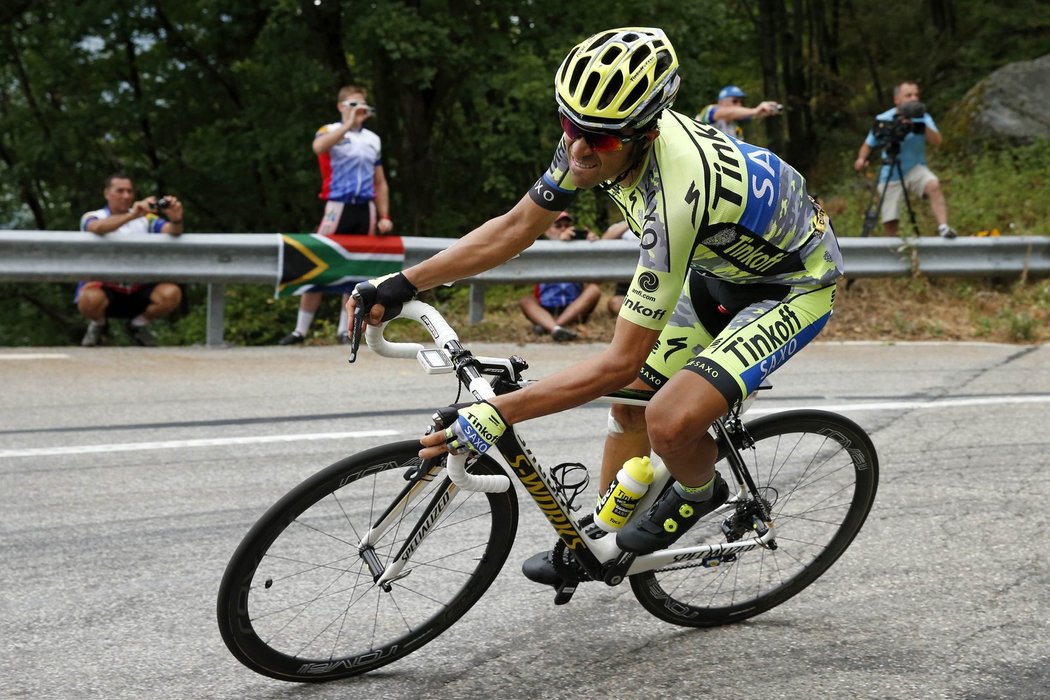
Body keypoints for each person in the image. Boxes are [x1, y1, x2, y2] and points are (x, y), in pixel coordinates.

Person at [350, 27, 842, 588]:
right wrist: (402, 283)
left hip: (791, 287)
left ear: (647, 133)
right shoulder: (596, 137)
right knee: (628, 408)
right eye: (570, 127)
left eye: (601, 141)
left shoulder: (678, 193)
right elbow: (514, 228)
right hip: (717, 270)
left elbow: (618, 362)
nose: (579, 150)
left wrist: (501, 412)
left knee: (668, 420)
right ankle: (601, 540)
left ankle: (701, 490)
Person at [279, 85, 393, 345]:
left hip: (365, 208)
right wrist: (348, 124)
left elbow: (380, 181)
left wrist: (385, 214)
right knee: (319, 259)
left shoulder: (373, 139)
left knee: (356, 267)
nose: (359, 109)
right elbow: (319, 148)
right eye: (353, 104)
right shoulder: (329, 130)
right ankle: (300, 330)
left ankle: (345, 329)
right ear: (341, 106)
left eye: (362, 104)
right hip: (337, 206)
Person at [76, 174, 184, 347]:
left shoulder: (147, 219)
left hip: (139, 287)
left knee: (171, 293)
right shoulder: (93, 216)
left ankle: (138, 325)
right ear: (107, 193)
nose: (126, 196)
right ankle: (99, 324)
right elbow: (96, 228)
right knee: (88, 298)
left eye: (129, 191)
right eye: (120, 191)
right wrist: (132, 215)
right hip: (105, 287)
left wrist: (176, 218)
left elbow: (171, 231)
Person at [853, 81, 957, 238]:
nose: (914, 98)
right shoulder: (884, 119)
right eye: (908, 95)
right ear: (897, 100)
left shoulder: (923, 118)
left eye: (916, 95)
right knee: (890, 220)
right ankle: (894, 251)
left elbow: (937, 142)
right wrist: (861, 160)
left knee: (933, 184)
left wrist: (920, 125)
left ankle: (943, 227)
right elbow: (868, 144)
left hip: (915, 167)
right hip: (891, 172)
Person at [520, 211, 602, 341]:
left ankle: (553, 327)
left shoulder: (579, 250)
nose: (563, 229)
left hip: (573, 305)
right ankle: (556, 328)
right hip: (546, 306)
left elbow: (597, 277)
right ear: (547, 231)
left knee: (594, 290)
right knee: (526, 300)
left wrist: (591, 246)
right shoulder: (540, 251)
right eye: (558, 226)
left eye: (567, 225)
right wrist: (559, 245)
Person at [695, 85, 781, 139]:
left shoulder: (736, 130)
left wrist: (759, 114)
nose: (739, 105)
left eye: (741, 102)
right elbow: (725, 112)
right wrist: (755, 111)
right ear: (721, 102)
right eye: (735, 101)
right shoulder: (709, 110)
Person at [600, 220, 632, 314]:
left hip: (656, 279)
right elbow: (604, 240)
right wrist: (631, 221)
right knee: (615, 305)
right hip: (627, 283)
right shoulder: (621, 226)